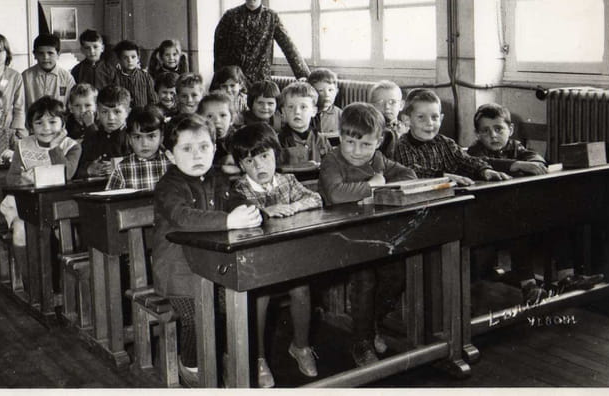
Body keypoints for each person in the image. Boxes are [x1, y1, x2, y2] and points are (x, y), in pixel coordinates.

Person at [152, 114, 262, 385]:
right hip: (177, 272)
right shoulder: (169, 185)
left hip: (212, 267)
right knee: (195, 317)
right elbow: (183, 217)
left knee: (230, 308)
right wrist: (228, 221)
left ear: (214, 148)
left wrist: (249, 210)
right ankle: (191, 364)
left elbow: (236, 199)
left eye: (204, 147)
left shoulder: (217, 178)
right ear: (170, 155)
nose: (197, 155)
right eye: (187, 149)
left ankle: (218, 357)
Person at [468, 103, 603, 302]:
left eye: (498, 129)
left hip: (519, 215)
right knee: (519, 228)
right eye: (485, 131)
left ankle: (566, 277)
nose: (493, 136)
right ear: (477, 134)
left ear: (510, 129)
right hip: (489, 221)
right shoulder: (474, 152)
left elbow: (538, 160)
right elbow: (480, 164)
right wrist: (517, 165)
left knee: (558, 220)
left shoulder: (516, 147)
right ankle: (528, 286)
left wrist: (529, 164)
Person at [318, 103, 417, 366]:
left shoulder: (377, 160)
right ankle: (361, 342)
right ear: (340, 137)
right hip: (337, 238)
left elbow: (409, 175)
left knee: (397, 274)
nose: (356, 151)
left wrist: (383, 185)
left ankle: (369, 324)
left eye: (366, 145)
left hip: (371, 235)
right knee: (365, 278)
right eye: (350, 142)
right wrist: (372, 185)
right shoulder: (332, 161)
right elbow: (336, 194)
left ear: (379, 142)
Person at [229, 123, 322, 387]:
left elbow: (316, 199)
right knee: (261, 296)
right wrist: (265, 212)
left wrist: (294, 206)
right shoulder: (239, 189)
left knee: (301, 288)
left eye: (264, 156)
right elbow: (240, 214)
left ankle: (301, 346)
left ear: (276, 155)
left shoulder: (287, 181)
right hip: (256, 263)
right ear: (241, 165)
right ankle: (258, 357)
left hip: (288, 257)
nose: (259, 165)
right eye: (250, 161)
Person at [2, 96, 81, 285]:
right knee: (20, 230)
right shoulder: (23, 146)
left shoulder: (72, 146)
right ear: (31, 126)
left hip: (60, 205)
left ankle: (65, 284)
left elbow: (67, 174)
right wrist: (22, 179)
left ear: (63, 124)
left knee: (66, 234)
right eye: (39, 123)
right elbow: (10, 178)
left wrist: (54, 148)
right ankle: (32, 283)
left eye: (53, 122)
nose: (46, 128)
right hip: (25, 205)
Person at [394, 89, 510, 185]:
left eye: (434, 117)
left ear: (441, 119)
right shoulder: (402, 145)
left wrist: (484, 170)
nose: (429, 123)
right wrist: (444, 177)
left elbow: (465, 160)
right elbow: (412, 171)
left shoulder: (445, 143)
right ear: (407, 120)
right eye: (421, 117)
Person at [213, 0, 310, 83]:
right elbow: (219, 51)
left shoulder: (271, 17)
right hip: (234, 82)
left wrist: (305, 76)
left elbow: (289, 47)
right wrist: (219, 80)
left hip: (260, 82)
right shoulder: (230, 16)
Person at [106, 106, 170, 191]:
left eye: (151, 136)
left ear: (161, 138)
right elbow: (110, 198)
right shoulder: (122, 168)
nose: (144, 144)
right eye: (137, 137)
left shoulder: (172, 164)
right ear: (129, 139)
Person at [77, 85, 132, 178]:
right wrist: (89, 169)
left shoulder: (132, 138)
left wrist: (119, 166)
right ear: (97, 112)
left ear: (127, 112)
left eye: (117, 112)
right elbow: (75, 169)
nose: (111, 117)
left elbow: (143, 163)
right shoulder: (92, 137)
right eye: (105, 112)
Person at [277, 81, 332, 166]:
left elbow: (331, 166)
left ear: (314, 111)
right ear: (283, 112)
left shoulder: (322, 141)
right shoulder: (278, 141)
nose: (297, 112)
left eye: (303, 107)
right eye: (291, 107)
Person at [22, 33, 75, 110]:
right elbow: (20, 106)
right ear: (35, 54)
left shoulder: (67, 78)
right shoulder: (25, 77)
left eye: (50, 53)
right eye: (41, 53)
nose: (45, 57)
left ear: (58, 54)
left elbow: (72, 105)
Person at [198, 91, 238, 174]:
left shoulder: (240, 138)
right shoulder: (199, 140)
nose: (217, 120)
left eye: (223, 115)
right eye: (210, 116)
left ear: (231, 119)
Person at [111, 40, 158, 110]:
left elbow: (153, 100)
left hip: (143, 113)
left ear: (138, 58)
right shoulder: (115, 77)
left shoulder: (146, 77)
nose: (130, 61)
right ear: (119, 60)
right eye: (125, 58)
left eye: (133, 57)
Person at [367, 80, 408, 159]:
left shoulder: (406, 130)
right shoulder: (367, 131)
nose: (387, 107)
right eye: (379, 102)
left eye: (392, 102)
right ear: (371, 106)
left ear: (401, 105)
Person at [308, 68, 341, 137]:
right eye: (320, 90)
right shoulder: (307, 112)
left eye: (330, 90)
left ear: (336, 92)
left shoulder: (340, 114)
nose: (327, 95)